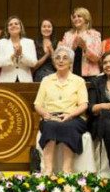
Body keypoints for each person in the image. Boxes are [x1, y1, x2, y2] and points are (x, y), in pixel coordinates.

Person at [34, 46, 88, 175]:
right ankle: (48, 170)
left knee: (68, 126)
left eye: (65, 58)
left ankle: (67, 170)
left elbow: (83, 105)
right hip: (51, 116)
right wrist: (44, 113)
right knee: (50, 125)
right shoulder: (46, 80)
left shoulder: (78, 81)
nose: (61, 60)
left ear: (71, 62)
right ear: (54, 61)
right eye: (57, 57)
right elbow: (37, 104)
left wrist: (70, 115)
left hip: (73, 117)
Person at [60, 7, 101, 80]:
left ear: (86, 18)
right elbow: (62, 57)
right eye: (74, 17)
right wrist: (72, 48)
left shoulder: (95, 35)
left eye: (79, 16)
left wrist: (85, 48)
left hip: (89, 76)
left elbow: (97, 58)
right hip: (71, 75)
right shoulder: (67, 35)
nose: (76, 19)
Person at [0, 16, 37, 82]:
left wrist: (21, 55)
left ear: (21, 27)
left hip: (25, 80)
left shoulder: (29, 42)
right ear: (7, 29)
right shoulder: (1, 43)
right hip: (7, 81)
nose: (13, 26)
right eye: (10, 24)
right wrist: (12, 56)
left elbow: (34, 63)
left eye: (16, 24)